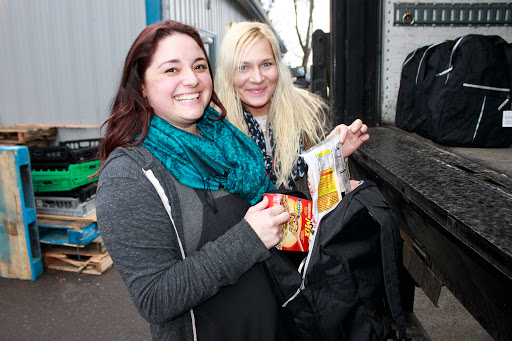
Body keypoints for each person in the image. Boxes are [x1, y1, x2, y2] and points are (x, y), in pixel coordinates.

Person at [95, 20, 293, 341]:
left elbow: (267, 211)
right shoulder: (129, 175)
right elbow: (154, 298)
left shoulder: (228, 141)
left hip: (272, 323)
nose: (191, 79)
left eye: (199, 66)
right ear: (142, 86)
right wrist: (248, 240)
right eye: (171, 70)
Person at [215, 21, 369, 192]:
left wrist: (331, 153)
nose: (257, 78)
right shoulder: (214, 126)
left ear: (278, 66)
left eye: (266, 64)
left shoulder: (309, 113)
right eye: (243, 67)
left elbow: (327, 193)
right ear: (228, 72)